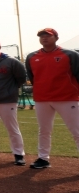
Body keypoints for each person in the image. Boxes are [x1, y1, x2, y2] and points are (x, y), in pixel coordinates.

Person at [25, 28, 79, 168]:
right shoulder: (32, 56)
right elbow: (33, 77)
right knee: (44, 130)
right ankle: (43, 158)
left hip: (67, 98)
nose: (44, 38)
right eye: (41, 36)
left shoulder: (70, 54)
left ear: (56, 37)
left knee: (77, 130)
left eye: (48, 36)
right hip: (42, 99)